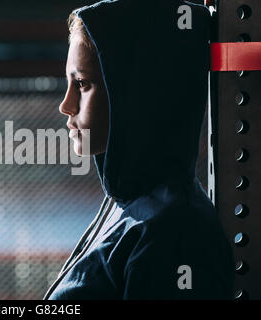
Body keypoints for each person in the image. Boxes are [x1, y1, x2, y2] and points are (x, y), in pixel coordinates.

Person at [43, 0, 235, 299]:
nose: (65, 105)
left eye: (82, 83)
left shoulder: (177, 234)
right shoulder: (131, 203)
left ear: (136, 93)